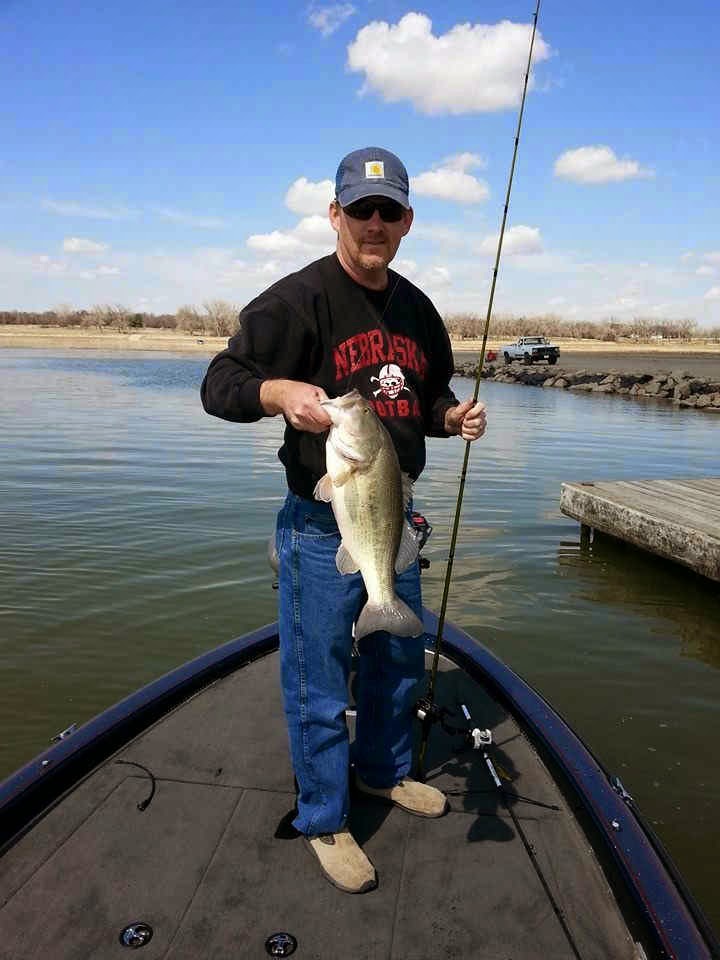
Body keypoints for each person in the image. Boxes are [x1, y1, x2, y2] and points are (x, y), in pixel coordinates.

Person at [201, 147, 487, 894]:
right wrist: (278, 391)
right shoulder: (297, 300)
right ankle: (324, 818)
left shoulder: (418, 309)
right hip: (318, 524)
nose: (374, 224)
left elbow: (424, 398)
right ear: (335, 214)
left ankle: (384, 773)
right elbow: (220, 382)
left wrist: (452, 416)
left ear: (407, 222)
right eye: (360, 210)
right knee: (318, 680)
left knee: (396, 662)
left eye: (389, 211)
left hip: (393, 516)